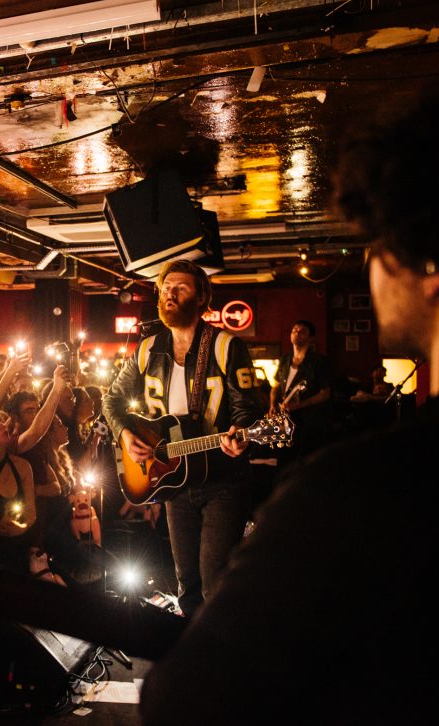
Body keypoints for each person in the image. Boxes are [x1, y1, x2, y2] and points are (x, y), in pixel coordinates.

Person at [140, 57, 439, 724]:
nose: (371, 263)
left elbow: (183, 703)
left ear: (434, 265)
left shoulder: (364, 493)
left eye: (380, 240)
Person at [103, 260, 263, 615]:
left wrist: (241, 434)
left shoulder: (225, 346)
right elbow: (111, 400)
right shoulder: (148, 349)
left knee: (214, 581)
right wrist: (125, 434)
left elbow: (247, 408)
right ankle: (188, 644)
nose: (170, 295)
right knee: (186, 582)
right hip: (176, 481)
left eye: (180, 288)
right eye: (166, 288)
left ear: (202, 297)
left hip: (223, 480)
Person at [269, 319, 333, 458]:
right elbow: (275, 386)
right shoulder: (284, 360)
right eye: (294, 330)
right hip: (286, 420)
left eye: (302, 331)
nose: (296, 333)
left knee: (307, 457)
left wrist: (299, 405)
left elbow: (325, 393)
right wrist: (272, 404)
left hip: (310, 421)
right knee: (285, 457)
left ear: (311, 338)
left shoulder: (319, 361)